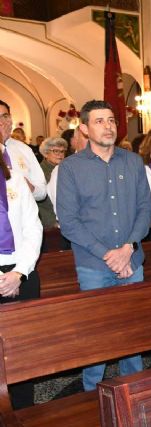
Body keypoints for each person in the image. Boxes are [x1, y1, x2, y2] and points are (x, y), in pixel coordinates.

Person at [56, 100, 151, 391]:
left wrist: (127, 249)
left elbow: (145, 209)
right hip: (93, 266)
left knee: (131, 332)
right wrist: (108, 255)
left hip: (131, 261)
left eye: (111, 120)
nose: (108, 126)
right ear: (84, 128)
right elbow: (69, 221)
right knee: (96, 334)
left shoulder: (133, 161)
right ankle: (90, 395)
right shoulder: (71, 168)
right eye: (99, 121)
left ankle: (133, 392)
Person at [0, 110, 43, 410]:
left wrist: (20, 272)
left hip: (20, 268)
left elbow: (33, 226)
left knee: (23, 350)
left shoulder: (14, 174)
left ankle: (24, 410)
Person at [0, 100, 47, 201]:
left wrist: (28, 187)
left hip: (24, 213)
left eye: (5, 116)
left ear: (10, 119)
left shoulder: (24, 149)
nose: (1, 122)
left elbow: (42, 192)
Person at [48, 127, 89, 214]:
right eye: (86, 137)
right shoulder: (63, 169)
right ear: (75, 139)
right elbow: (63, 211)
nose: (92, 141)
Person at [37, 137, 67, 229]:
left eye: (62, 151)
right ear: (46, 153)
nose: (60, 155)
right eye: (55, 151)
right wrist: (52, 222)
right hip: (50, 224)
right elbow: (39, 202)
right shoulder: (39, 172)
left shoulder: (66, 169)